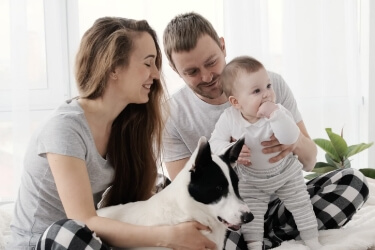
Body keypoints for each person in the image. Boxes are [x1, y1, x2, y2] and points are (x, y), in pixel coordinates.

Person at [162, 12, 369, 249]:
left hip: (284, 200)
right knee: (207, 235)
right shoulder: (171, 114)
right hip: (230, 217)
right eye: (192, 72)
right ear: (174, 69)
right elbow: (186, 197)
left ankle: (263, 240)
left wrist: (293, 142)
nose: (207, 76)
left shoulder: (269, 85)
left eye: (211, 62)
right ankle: (265, 237)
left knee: (353, 182)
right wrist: (223, 160)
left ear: (223, 46)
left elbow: (310, 162)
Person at [8, 17, 217, 250]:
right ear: (114, 67)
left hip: (92, 240)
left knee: (163, 187)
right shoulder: (65, 129)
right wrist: (169, 236)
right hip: (48, 242)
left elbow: (141, 200)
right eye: (148, 63)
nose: (156, 74)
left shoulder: (126, 126)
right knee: (71, 231)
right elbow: (84, 221)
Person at [209, 56, 322, 250]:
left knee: (302, 204)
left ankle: (312, 241)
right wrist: (230, 151)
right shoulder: (229, 118)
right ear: (236, 102)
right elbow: (214, 143)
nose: (267, 95)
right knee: (251, 214)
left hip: (285, 172)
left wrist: (276, 116)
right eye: (256, 91)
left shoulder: (279, 112)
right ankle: (255, 245)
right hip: (252, 179)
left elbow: (290, 137)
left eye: (268, 86)